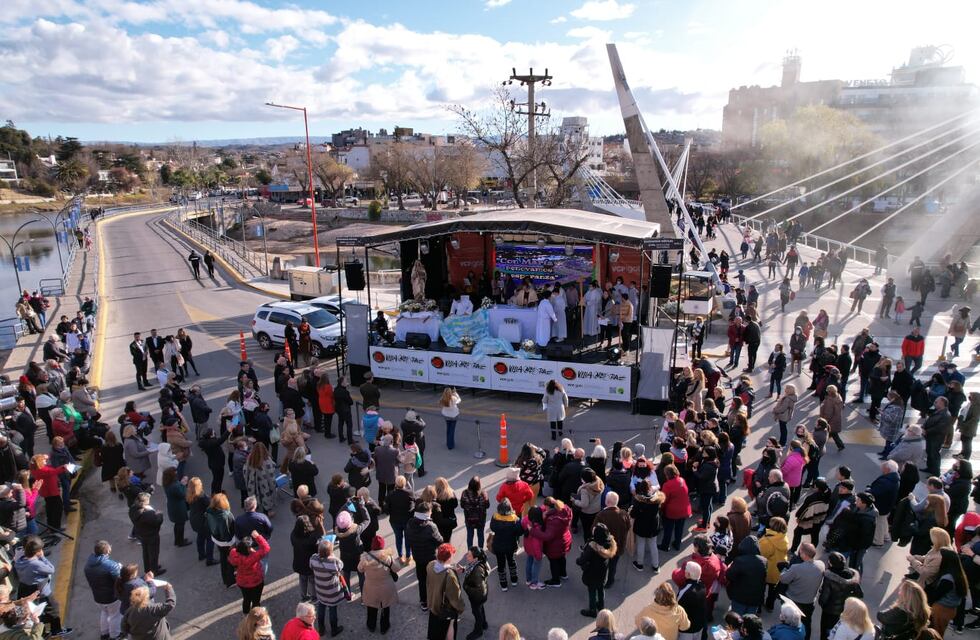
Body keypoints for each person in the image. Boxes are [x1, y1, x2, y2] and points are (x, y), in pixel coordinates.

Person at [14, 536, 72, 637]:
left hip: (24, 588)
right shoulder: (35, 563)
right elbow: (51, 569)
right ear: (37, 551)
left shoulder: (19, 556)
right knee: (53, 609)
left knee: (26, 611)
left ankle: (40, 631)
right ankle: (56, 630)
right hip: (40, 591)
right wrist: (42, 557)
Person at [779, 542, 825, 640]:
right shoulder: (821, 565)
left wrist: (784, 570)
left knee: (789, 624)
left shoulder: (796, 568)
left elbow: (783, 579)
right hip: (809, 602)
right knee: (807, 623)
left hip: (793, 601)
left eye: (800, 551)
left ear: (804, 554)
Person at [358, 535, 400, 634]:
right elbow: (397, 568)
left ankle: (371, 625)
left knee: (371, 607)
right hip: (386, 587)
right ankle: (384, 627)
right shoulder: (388, 557)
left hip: (371, 587)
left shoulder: (365, 558)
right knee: (385, 607)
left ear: (372, 545)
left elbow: (360, 569)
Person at [407, 502, 443, 610]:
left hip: (418, 557)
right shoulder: (431, 526)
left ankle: (424, 602)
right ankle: (435, 601)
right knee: (433, 580)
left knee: (422, 580)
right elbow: (440, 541)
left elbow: (408, 539)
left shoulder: (410, 523)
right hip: (430, 558)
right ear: (427, 513)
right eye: (430, 511)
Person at [84, 539, 122, 640]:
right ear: (107, 551)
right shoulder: (111, 566)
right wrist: (119, 569)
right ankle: (115, 636)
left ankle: (104, 633)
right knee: (115, 616)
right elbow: (119, 581)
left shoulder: (88, 565)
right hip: (111, 598)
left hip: (98, 597)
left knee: (104, 613)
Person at [923, 547, 967, 636]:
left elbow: (935, 595)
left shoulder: (948, 579)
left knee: (935, 633)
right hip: (949, 609)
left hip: (941, 610)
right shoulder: (957, 573)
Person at [818, 552, 862, 640]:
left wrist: (822, 603)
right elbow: (859, 594)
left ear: (830, 563)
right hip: (844, 610)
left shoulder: (829, 578)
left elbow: (824, 599)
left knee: (826, 632)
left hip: (829, 611)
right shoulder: (851, 575)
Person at [577, 521, 616, 618]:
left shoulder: (592, 547)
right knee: (601, 589)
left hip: (592, 574)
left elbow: (582, 560)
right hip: (603, 573)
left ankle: (592, 610)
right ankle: (601, 606)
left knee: (592, 592)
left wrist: (578, 560)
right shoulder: (609, 544)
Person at [426, 543, 465, 640]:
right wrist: (460, 608)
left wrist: (452, 568)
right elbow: (455, 598)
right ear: (449, 558)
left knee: (434, 630)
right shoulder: (449, 576)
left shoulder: (430, 565)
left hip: (433, 603)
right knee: (450, 625)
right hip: (444, 609)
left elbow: (440, 569)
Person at [309, 539, 346, 637]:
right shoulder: (333, 562)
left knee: (321, 608)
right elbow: (341, 565)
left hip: (320, 589)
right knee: (332, 609)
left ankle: (321, 629)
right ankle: (334, 629)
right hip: (332, 592)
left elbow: (311, 567)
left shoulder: (313, 559)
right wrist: (332, 556)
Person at [629, 479, 664, 572]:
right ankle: (656, 566)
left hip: (641, 526)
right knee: (653, 545)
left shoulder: (638, 501)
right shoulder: (657, 500)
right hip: (653, 526)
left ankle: (640, 564)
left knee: (641, 544)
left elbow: (633, 514)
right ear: (650, 487)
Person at [459, 546, 490, 640]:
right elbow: (471, 568)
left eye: (469, 555)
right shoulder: (477, 563)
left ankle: (478, 631)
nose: (466, 556)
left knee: (476, 612)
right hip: (480, 596)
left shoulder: (477, 571)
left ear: (475, 558)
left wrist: (466, 587)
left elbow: (479, 590)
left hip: (477, 597)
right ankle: (484, 624)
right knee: (480, 609)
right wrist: (464, 569)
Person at [659, 464, 690, 551]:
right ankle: (677, 544)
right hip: (683, 509)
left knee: (668, 529)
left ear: (667, 474)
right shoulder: (682, 480)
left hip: (672, 511)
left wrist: (661, 508)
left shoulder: (667, 485)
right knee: (679, 528)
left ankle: (665, 546)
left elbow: (664, 499)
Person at [760, 517, 790, 611]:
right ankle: (770, 606)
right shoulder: (784, 537)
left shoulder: (767, 540)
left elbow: (762, 554)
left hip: (767, 569)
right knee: (773, 589)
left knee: (761, 588)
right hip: (778, 569)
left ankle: (759, 607)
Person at [161, 468, 190, 547]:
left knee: (177, 524)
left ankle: (177, 540)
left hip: (172, 506)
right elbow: (182, 494)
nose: (176, 473)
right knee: (181, 524)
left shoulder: (167, 484)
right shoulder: (174, 486)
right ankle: (180, 541)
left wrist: (181, 483)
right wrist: (183, 484)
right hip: (178, 508)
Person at [461, 476, 490, 550]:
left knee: (470, 535)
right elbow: (487, 506)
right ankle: (480, 551)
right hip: (480, 519)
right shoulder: (483, 493)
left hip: (469, 518)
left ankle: (470, 551)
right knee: (480, 535)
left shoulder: (465, 493)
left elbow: (462, 505)